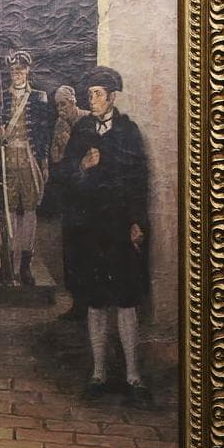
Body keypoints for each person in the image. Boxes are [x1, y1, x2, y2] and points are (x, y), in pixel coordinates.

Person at [56, 66, 152, 408]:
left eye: (97, 94)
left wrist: (137, 222)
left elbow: (139, 181)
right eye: (90, 94)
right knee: (96, 303)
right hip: (91, 231)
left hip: (120, 229)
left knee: (126, 302)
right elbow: (63, 176)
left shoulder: (128, 131)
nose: (92, 99)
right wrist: (82, 167)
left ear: (111, 97)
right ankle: (98, 373)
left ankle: (133, 376)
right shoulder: (81, 130)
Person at [0, 49, 51, 286]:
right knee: (9, 211)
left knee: (30, 211)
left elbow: (43, 133)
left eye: (21, 70)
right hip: (7, 162)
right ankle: (7, 265)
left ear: (27, 71)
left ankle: (25, 267)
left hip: (29, 160)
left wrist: (44, 162)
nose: (17, 74)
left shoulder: (39, 97)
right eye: (13, 71)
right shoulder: (1, 97)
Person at [51, 85, 90, 322]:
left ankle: (90, 305)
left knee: (87, 250)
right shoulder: (60, 125)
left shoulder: (88, 120)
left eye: (63, 104)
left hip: (88, 197)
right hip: (70, 196)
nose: (60, 109)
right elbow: (56, 159)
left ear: (73, 101)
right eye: (57, 105)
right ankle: (77, 303)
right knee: (71, 251)